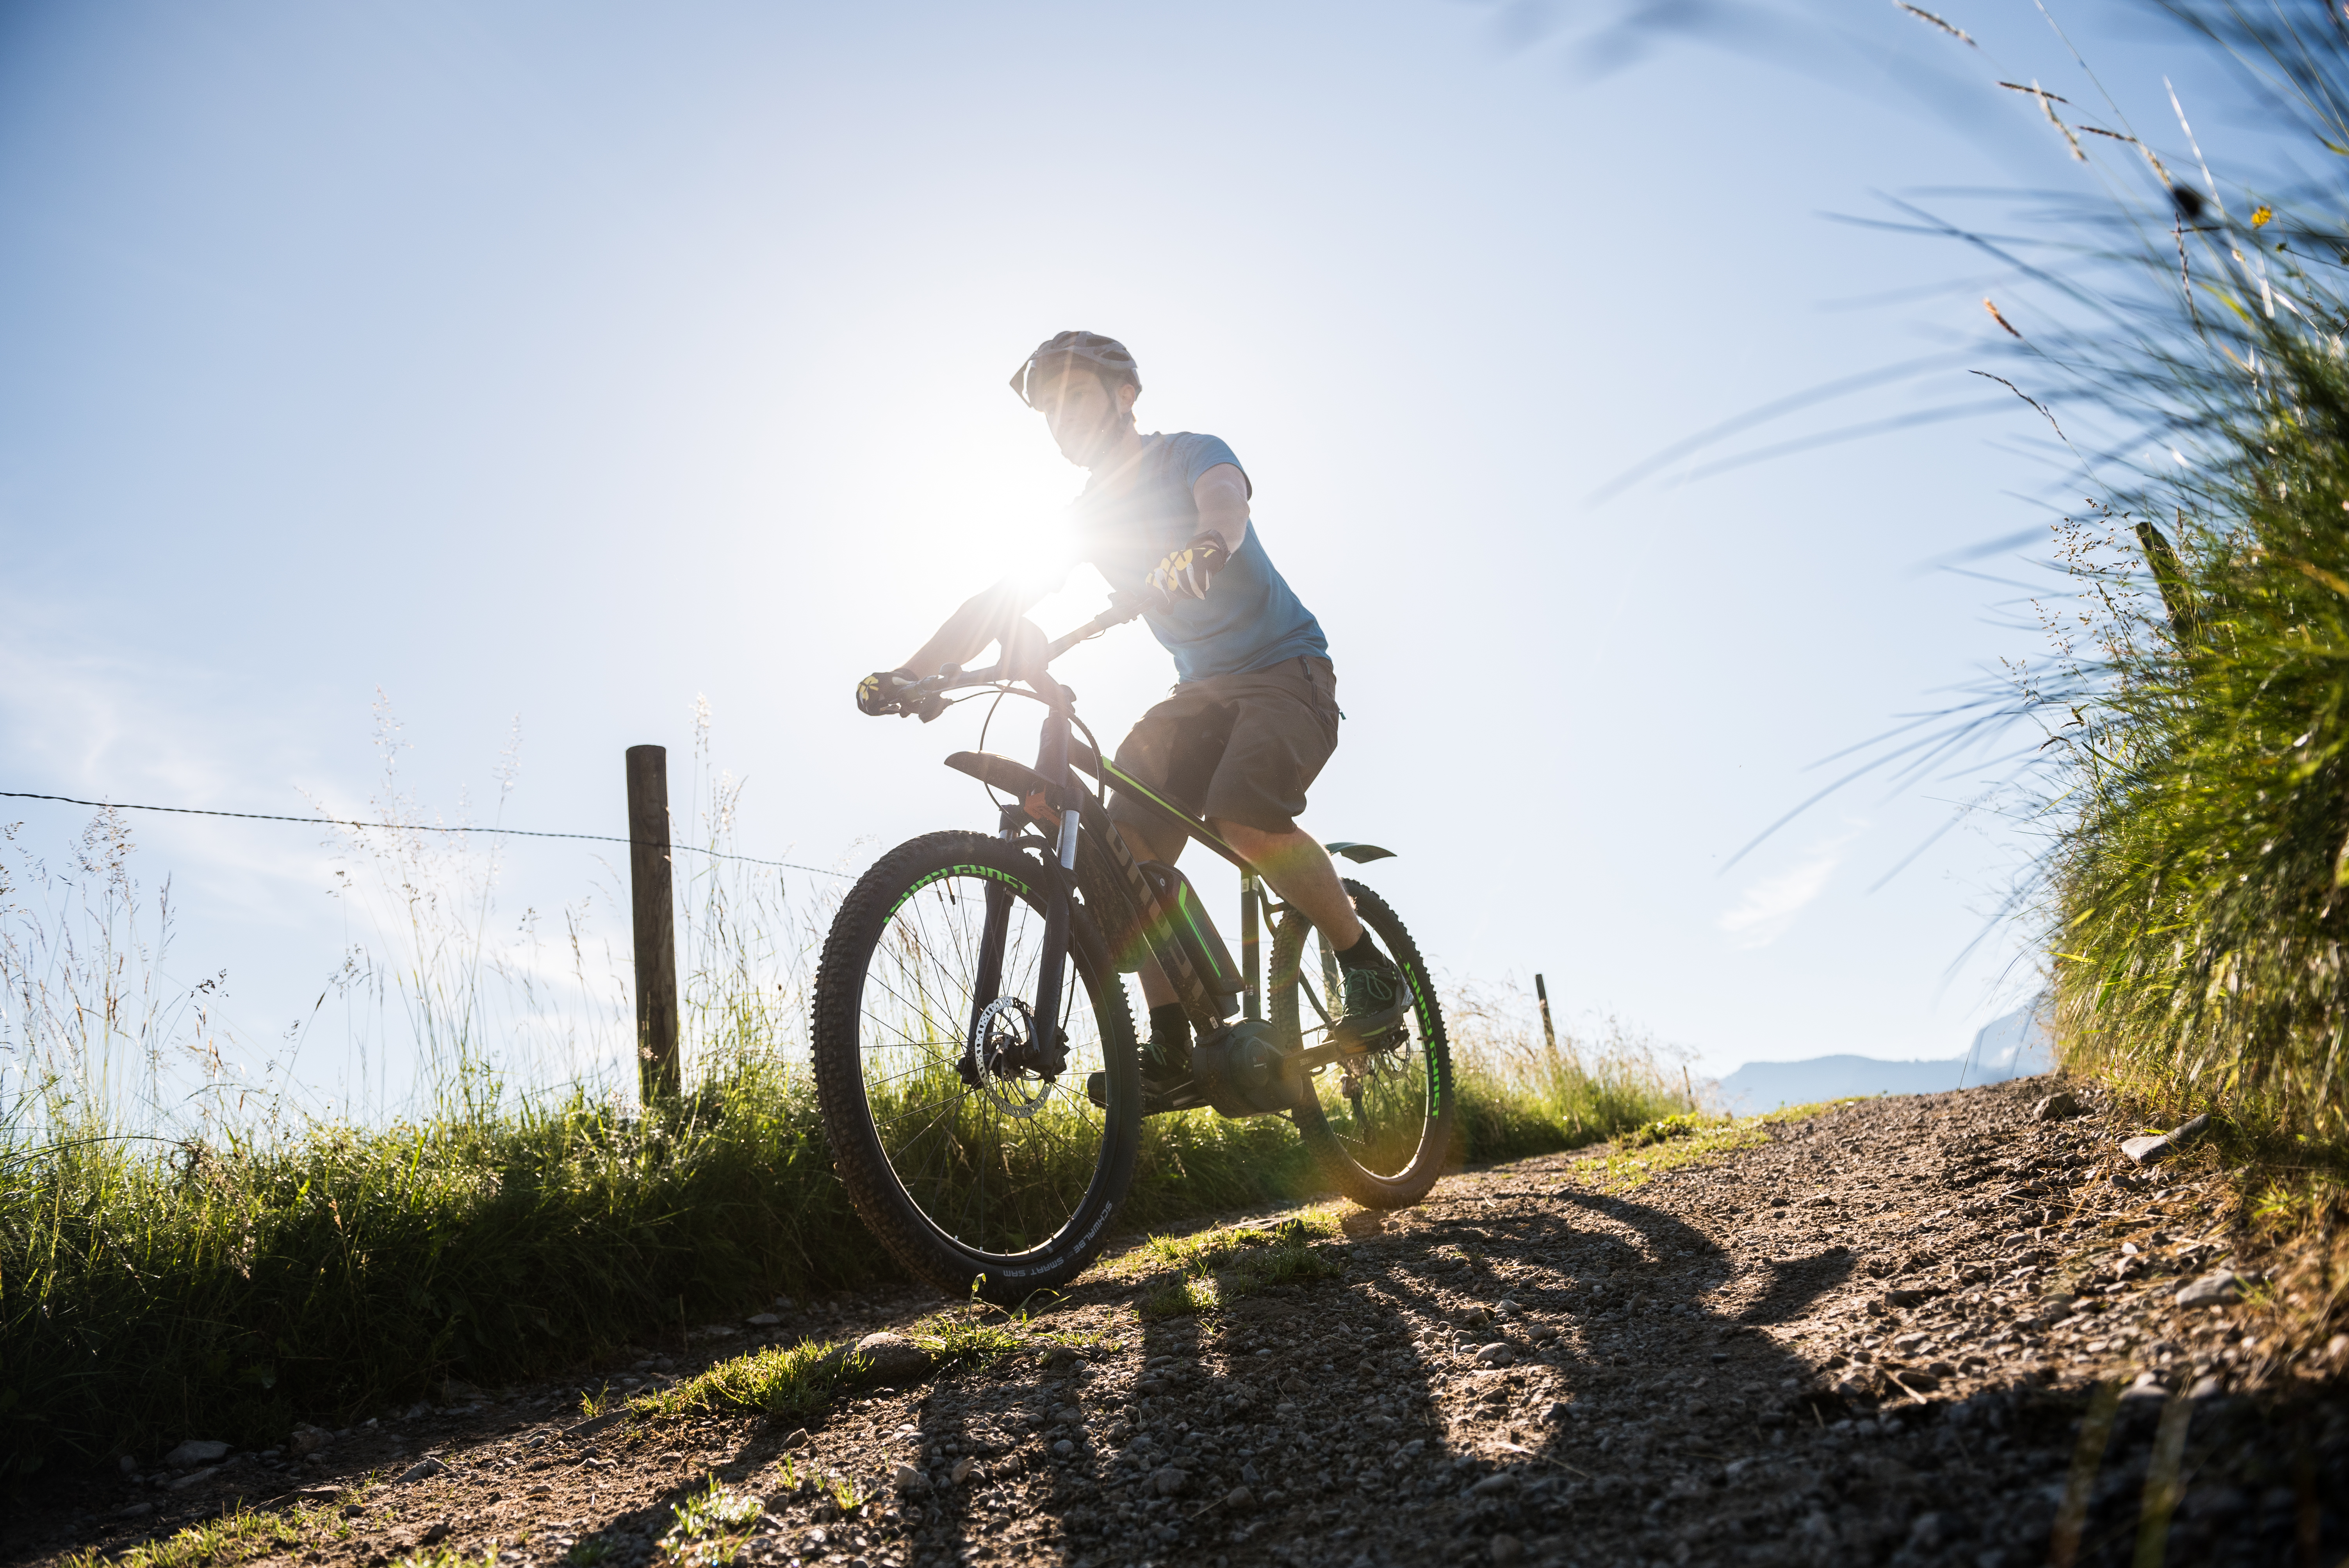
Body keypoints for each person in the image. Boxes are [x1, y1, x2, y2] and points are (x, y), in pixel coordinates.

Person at [856, 330, 1400, 1084]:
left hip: (1288, 673)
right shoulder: (1086, 517)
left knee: (1240, 816)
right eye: (1048, 411)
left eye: (1075, 396)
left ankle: (1366, 963)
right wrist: (913, 674)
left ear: (1125, 395)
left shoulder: (1189, 452)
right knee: (1122, 846)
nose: (1061, 419)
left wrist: (1209, 545)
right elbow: (998, 599)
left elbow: (1226, 501)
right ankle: (1176, 1037)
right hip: (1201, 696)